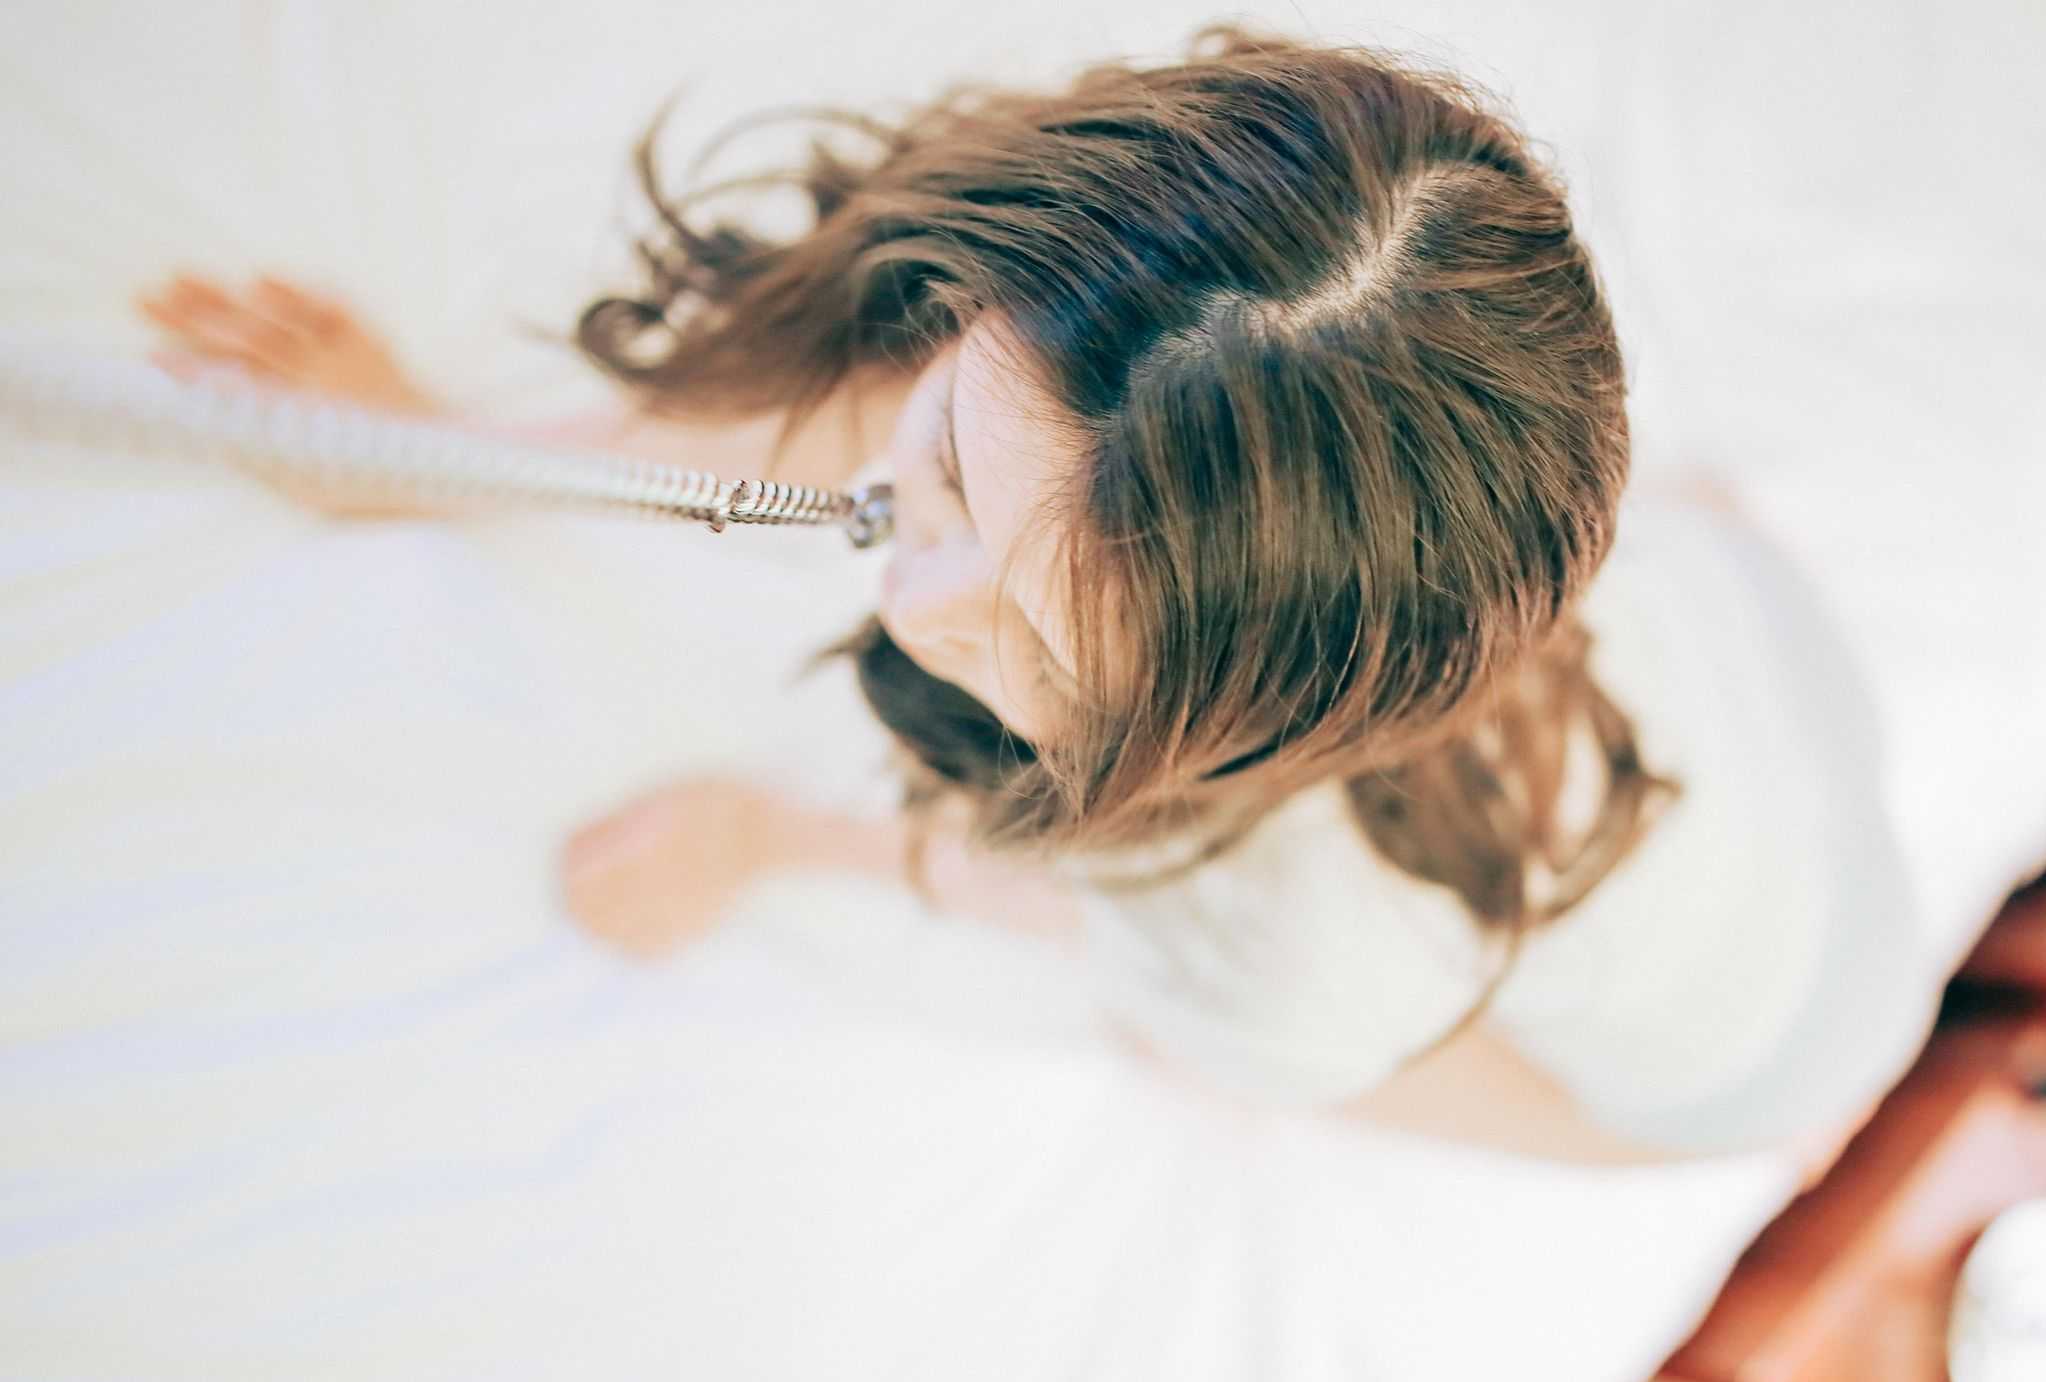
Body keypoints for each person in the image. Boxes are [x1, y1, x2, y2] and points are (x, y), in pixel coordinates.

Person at [136, 26, 1933, 1174]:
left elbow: (1079, 904)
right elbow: (876, 402)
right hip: (1744, 640)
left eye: (1042, 653)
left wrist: (770, 837)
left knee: (1233, 1048)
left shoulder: (1287, 933)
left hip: (1741, 1064)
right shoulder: (1104, 319)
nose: (915, 594)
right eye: (944, 466)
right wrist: (439, 452)